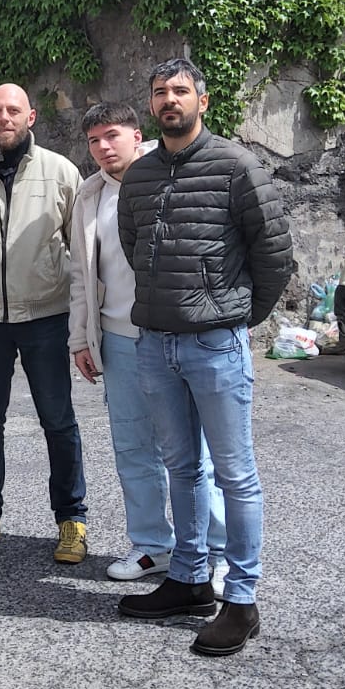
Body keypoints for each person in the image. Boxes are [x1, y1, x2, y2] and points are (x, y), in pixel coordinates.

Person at [116, 58, 293, 657]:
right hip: (155, 342)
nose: (169, 100)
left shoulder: (237, 167)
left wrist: (234, 314)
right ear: (151, 104)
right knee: (182, 467)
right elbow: (133, 245)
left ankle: (241, 600)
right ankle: (189, 579)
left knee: (235, 475)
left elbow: (274, 254)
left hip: (216, 342)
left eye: (180, 91)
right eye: (159, 92)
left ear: (203, 101)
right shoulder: (140, 175)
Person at [68, 101, 226, 583]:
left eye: (112, 135)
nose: (103, 147)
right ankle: (153, 545)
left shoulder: (170, 175)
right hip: (118, 338)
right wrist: (81, 337)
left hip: (176, 337)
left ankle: (217, 553)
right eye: (94, 140)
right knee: (133, 448)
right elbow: (82, 275)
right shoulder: (91, 194)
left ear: (137, 136)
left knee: (193, 452)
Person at [0, 83, 87, 564]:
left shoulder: (60, 171)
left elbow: (81, 251)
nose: (4, 117)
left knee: (58, 420)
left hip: (46, 314)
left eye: (13, 110)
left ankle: (71, 518)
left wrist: (83, 321)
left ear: (31, 117)